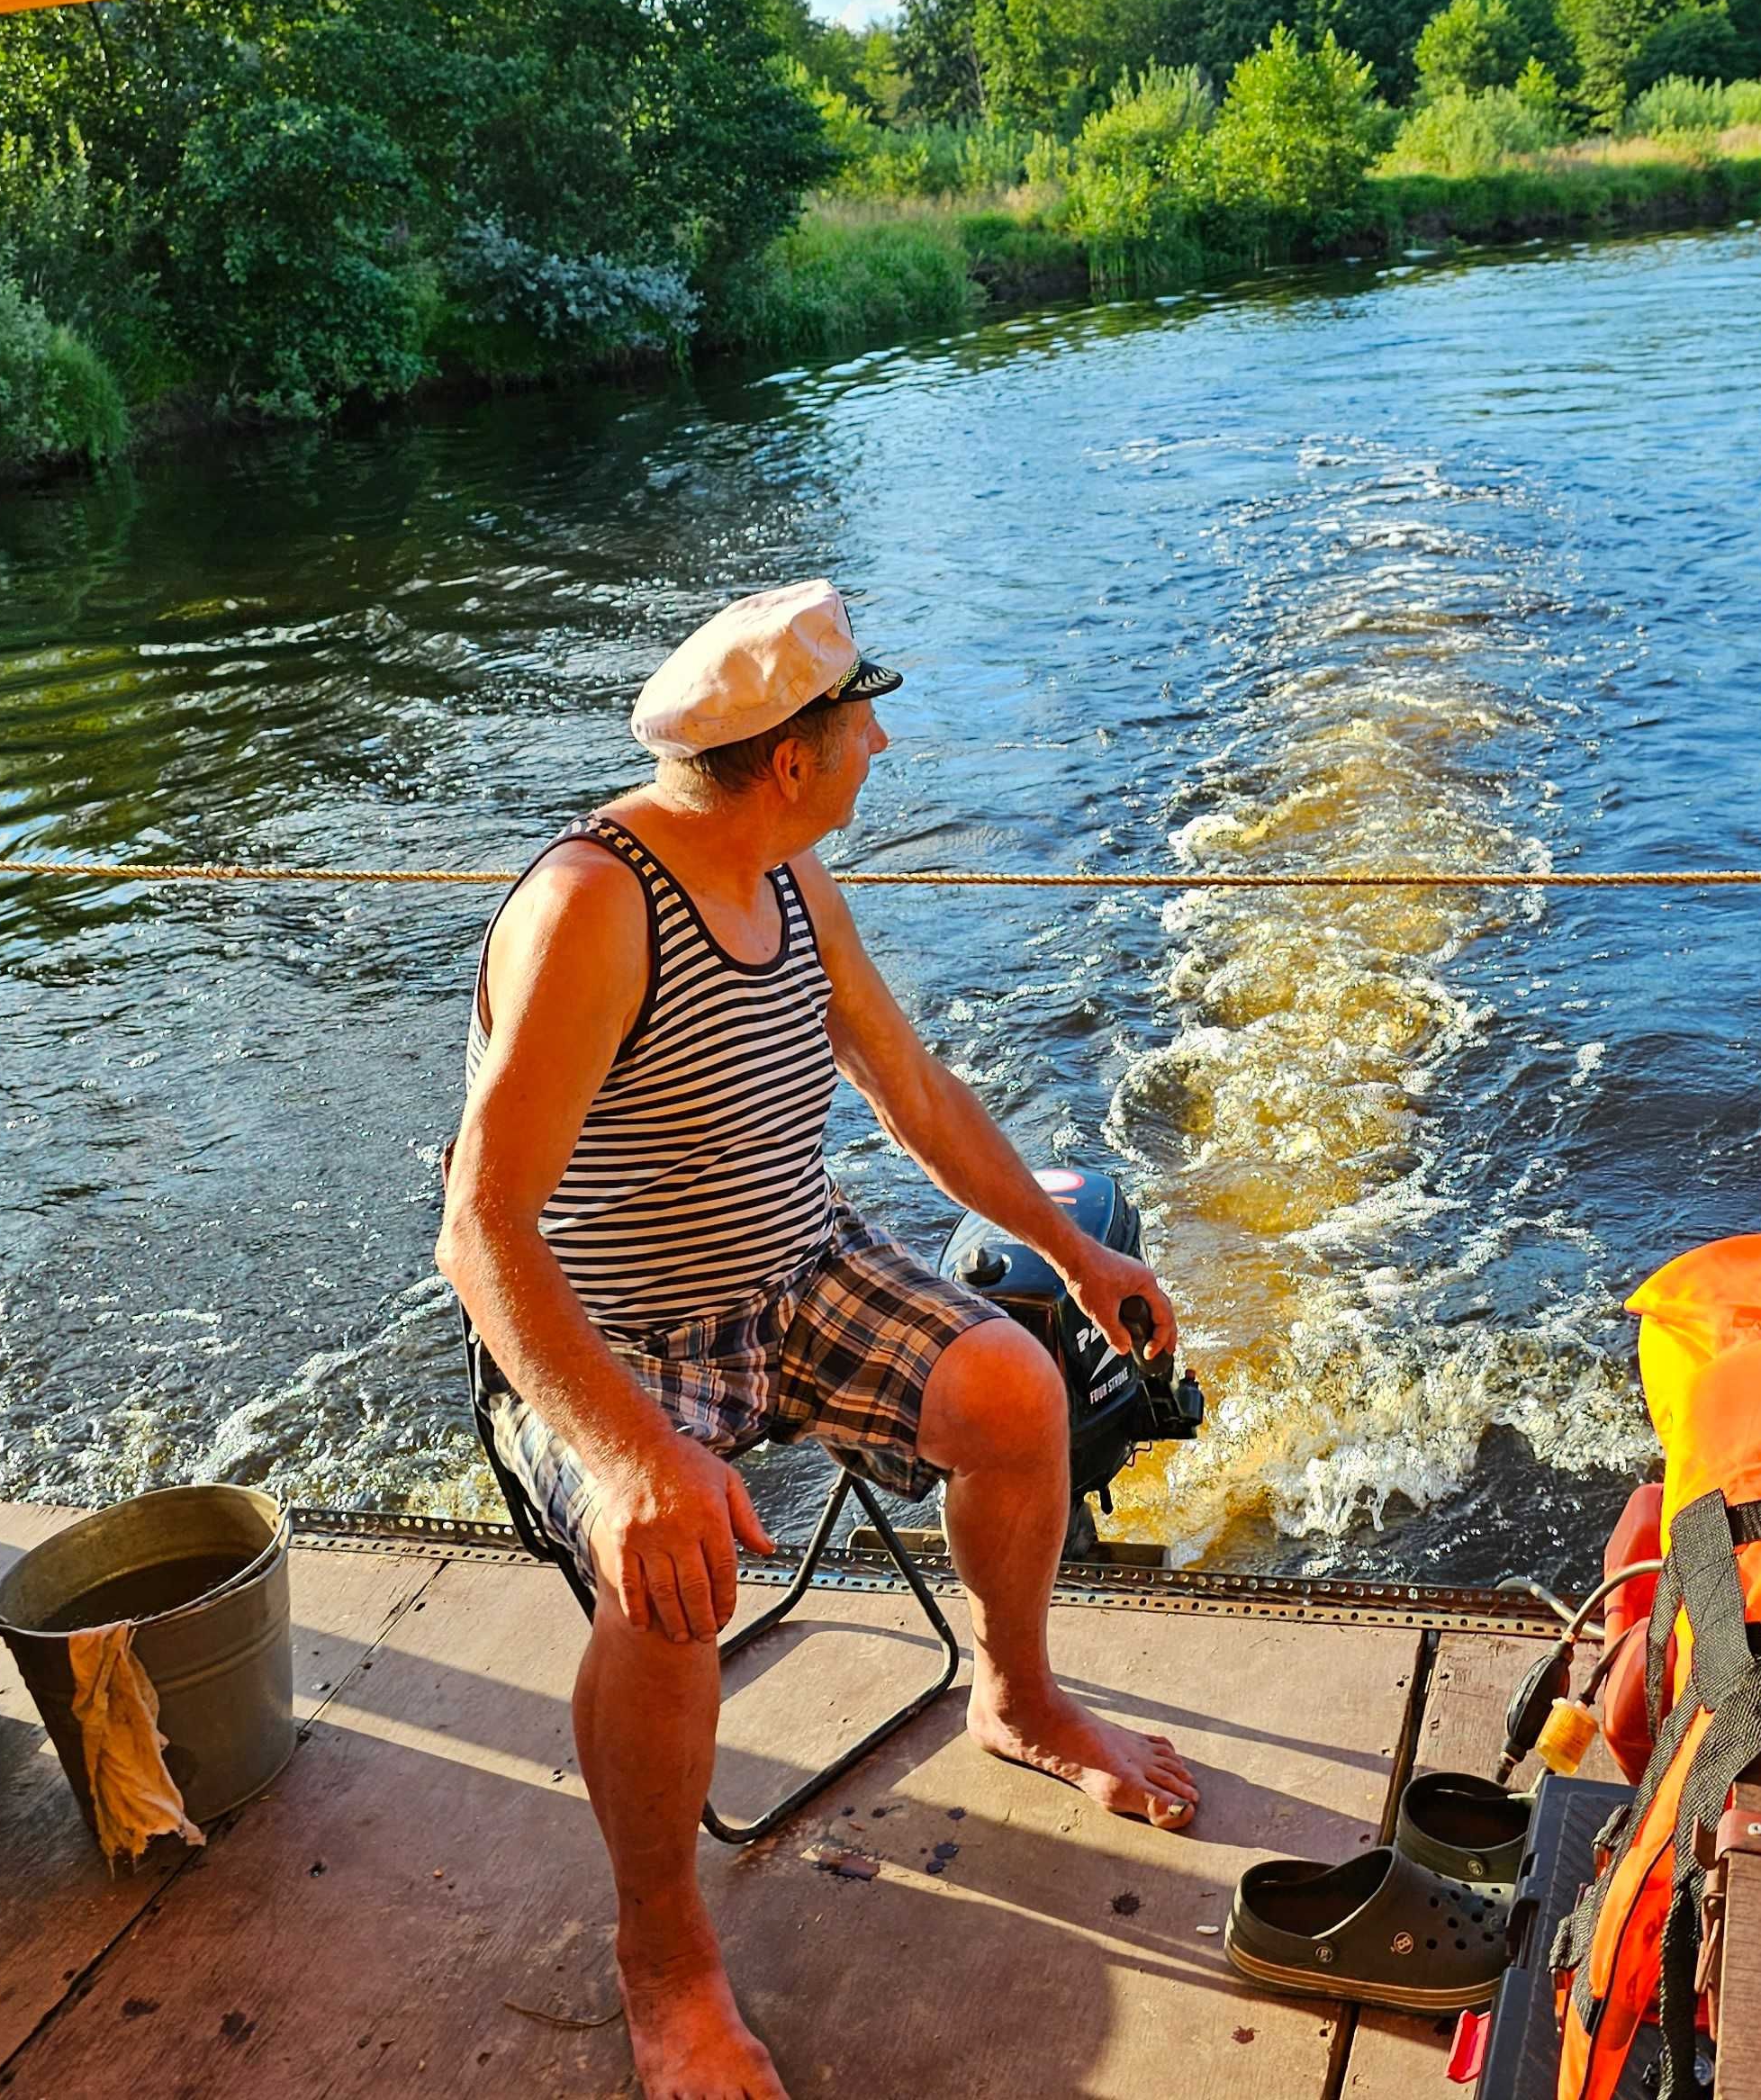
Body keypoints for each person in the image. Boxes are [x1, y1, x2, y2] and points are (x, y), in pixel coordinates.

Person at [438, 581, 1196, 2100]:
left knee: (1018, 1387)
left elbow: (912, 1093)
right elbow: (481, 1230)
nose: (884, 742)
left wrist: (1075, 1247)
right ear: (791, 758)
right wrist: (634, 1455)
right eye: (864, 723)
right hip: (618, 1338)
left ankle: (1018, 1694)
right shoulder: (597, 907)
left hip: (793, 1264)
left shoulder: (785, 873)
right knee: (671, 1583)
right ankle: (660, 1954)